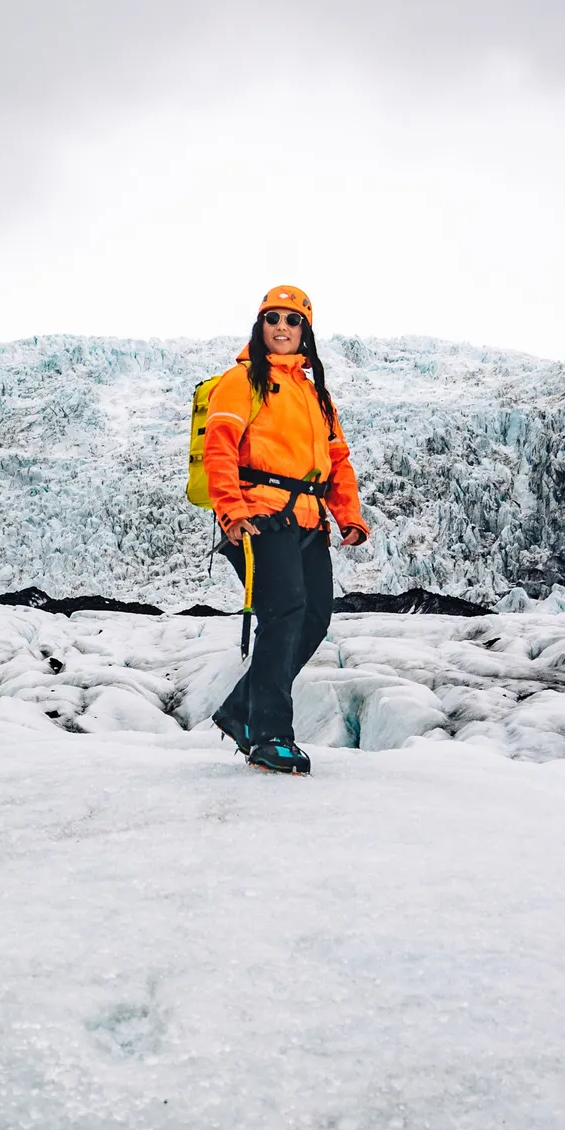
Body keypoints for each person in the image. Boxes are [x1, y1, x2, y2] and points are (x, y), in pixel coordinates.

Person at [204, 285, 369, 774]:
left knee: (314, 617)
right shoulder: (243, 380)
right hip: (258, 514)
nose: (282, 327)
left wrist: (349, 515)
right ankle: (269, 735)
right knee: (283, 615)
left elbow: (337, 461)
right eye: (272, 318)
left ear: (306, 331)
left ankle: (240, 711)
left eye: (292, 320)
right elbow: (220, 446)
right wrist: (232, 511)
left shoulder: (316, 393)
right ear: (260, 327)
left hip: (309, 520)